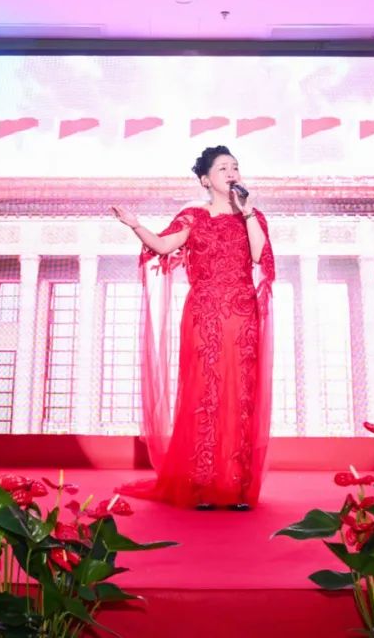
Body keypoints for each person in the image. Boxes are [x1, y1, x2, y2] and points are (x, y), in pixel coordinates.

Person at [110, 146, 275, 510]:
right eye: (223, 168)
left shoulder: (252, 216)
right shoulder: (193, 216)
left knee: (241, 393)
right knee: (205, 392)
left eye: (235, 167)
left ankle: (235, 485)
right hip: (205, 313)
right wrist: (136, 225)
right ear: (205, 179)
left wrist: (248, 212)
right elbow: (163, 245)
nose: (231, 173)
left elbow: (258, 256)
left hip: (242, 313)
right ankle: (202, 483)